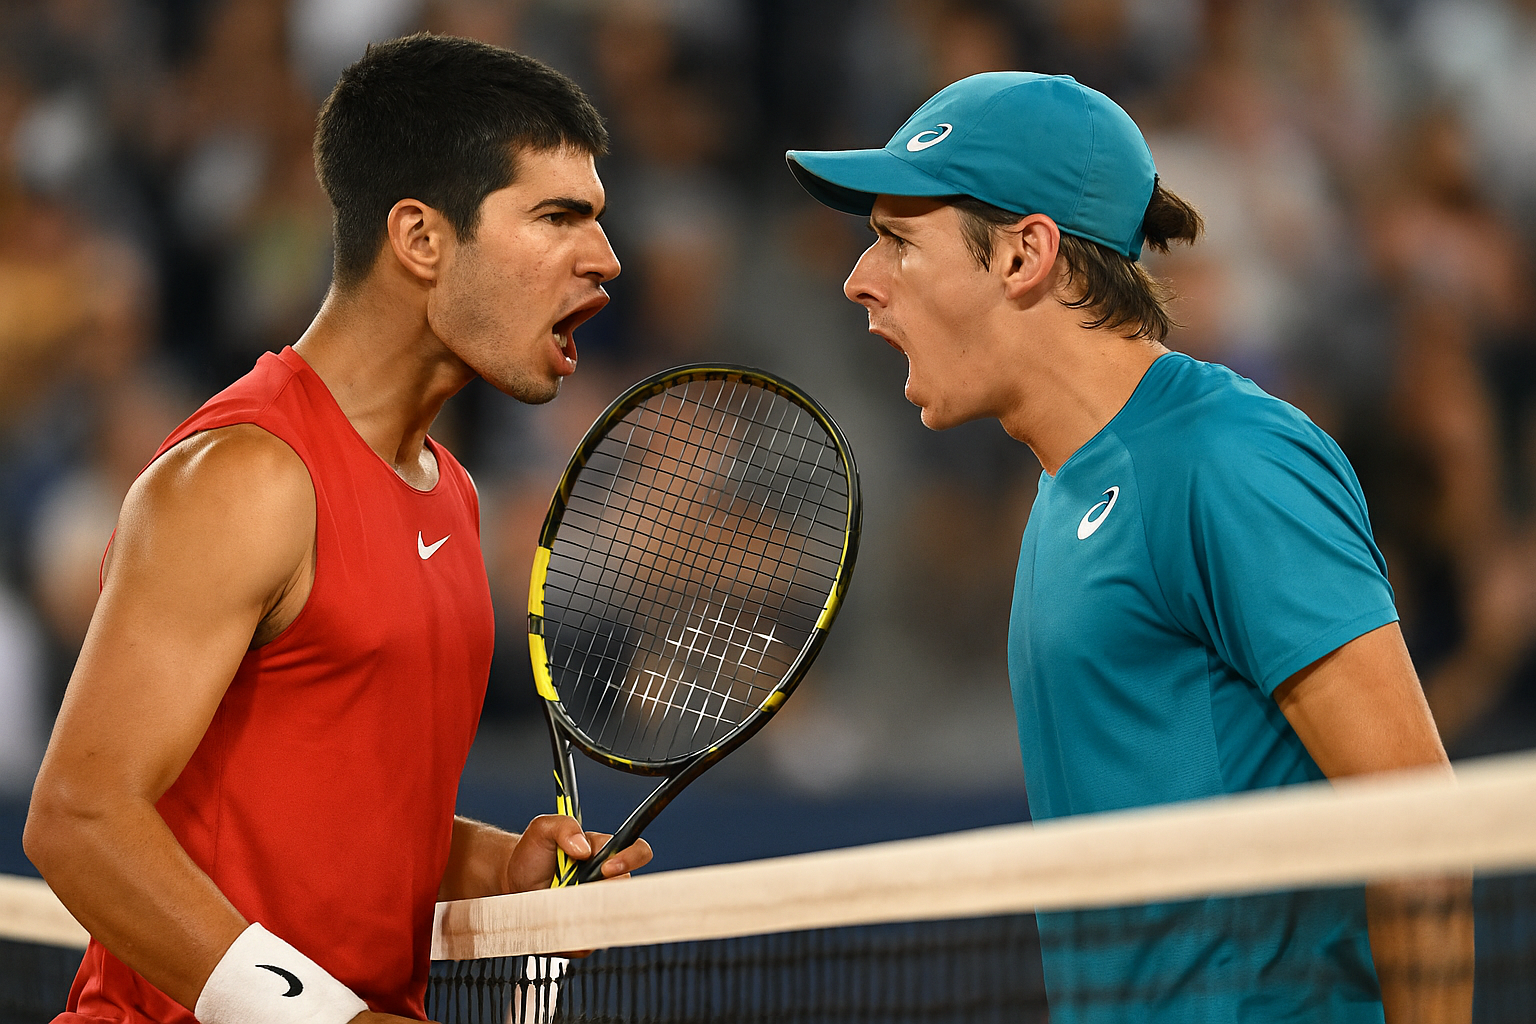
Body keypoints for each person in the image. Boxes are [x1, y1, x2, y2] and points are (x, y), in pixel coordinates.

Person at [785, 72, 1471, 1023]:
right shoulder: (1060, 498)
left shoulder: (1229, 459)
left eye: (899, 240)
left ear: (1026, 253)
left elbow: (1422, 832)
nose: (859, 278)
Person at [23, 34, 652, 1024]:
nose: (606, 259)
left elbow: (330, 816)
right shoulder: (244, 477)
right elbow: (78, 817)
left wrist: (495, 865)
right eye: (557, 217)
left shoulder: (454, 493)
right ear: (420, 238)